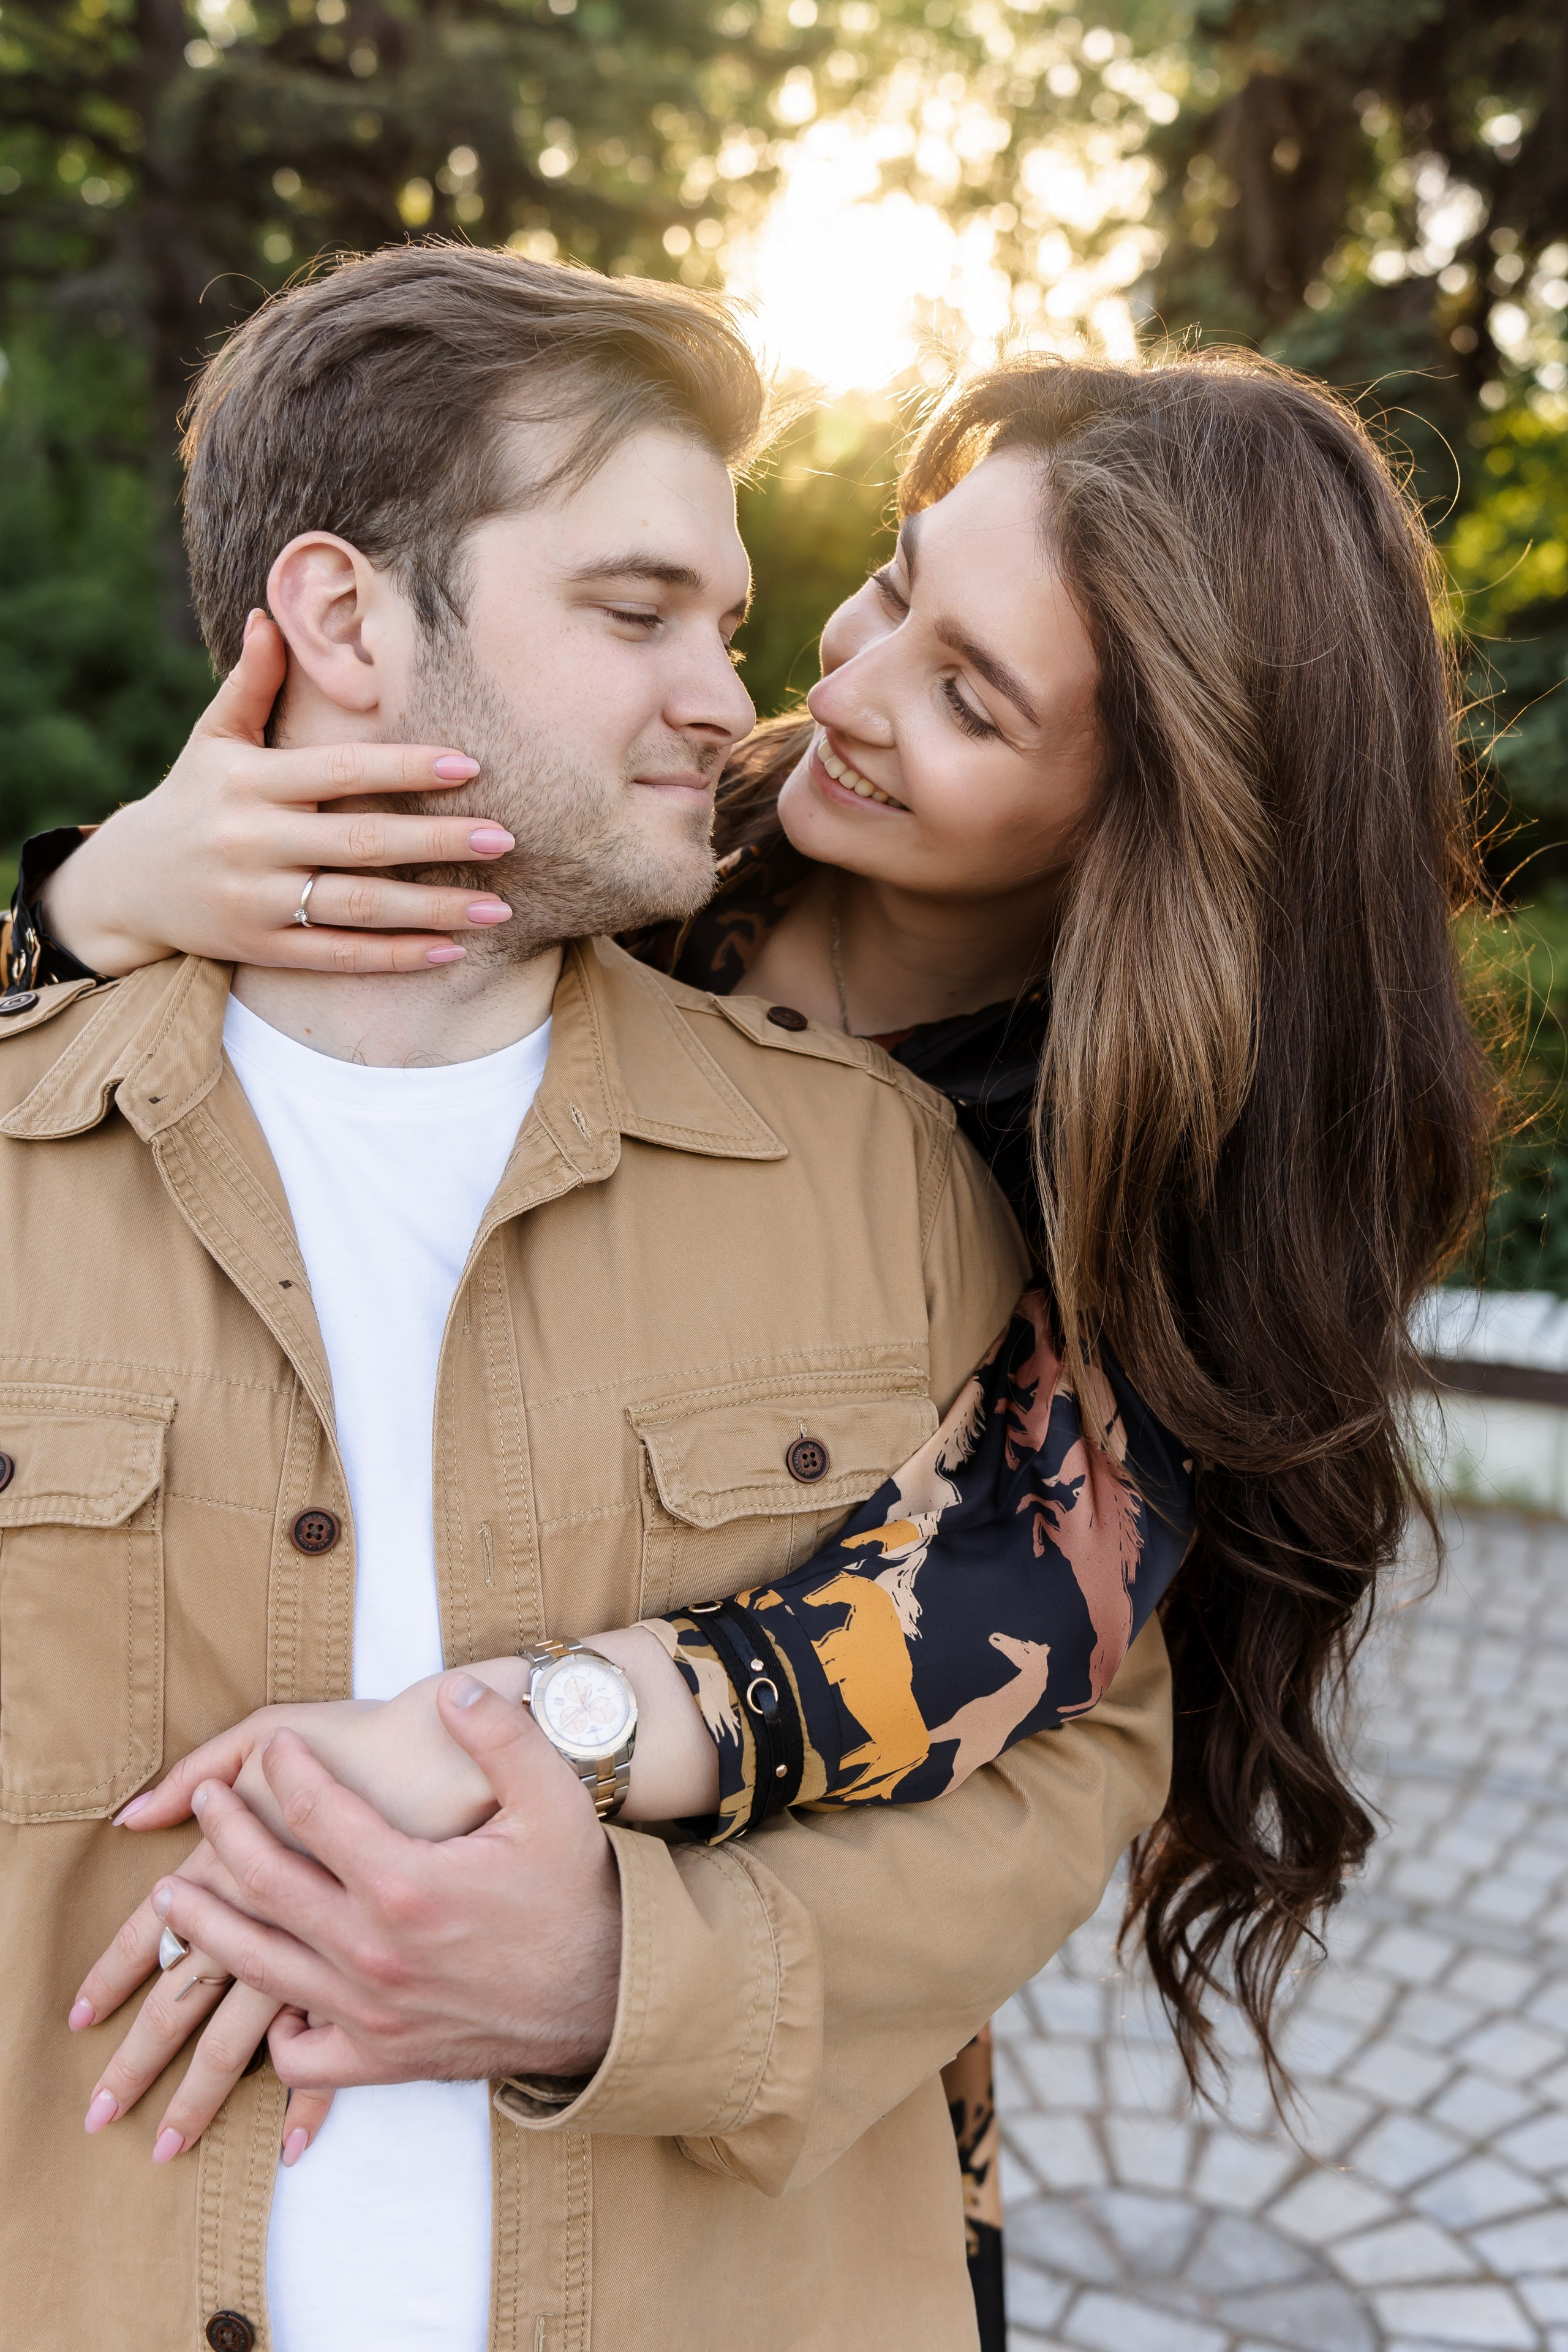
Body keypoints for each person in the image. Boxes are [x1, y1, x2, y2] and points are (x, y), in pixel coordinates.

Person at [6, 280, 1494, 2344]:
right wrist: (82, 907)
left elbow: (1023, 1621)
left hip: (753, 2146)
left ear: (1146, 821)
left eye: (970, 697)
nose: (827, 687)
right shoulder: (647, 835)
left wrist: (548, 1788)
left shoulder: (1093, 1175)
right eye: (889, 588)